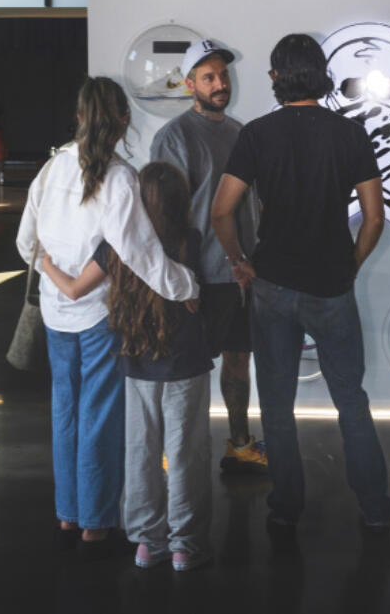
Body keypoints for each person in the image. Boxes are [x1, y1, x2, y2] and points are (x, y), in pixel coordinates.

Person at [211, 33, 390, 532]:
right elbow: (374, 219)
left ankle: (285, 509)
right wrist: (350, 264)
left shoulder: (257, 135)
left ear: (275, 78)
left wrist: (238, 260)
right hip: (332, 285)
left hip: (271, 284)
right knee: (351, 401)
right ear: (320, 73)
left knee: (275, 407)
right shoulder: (349, 133)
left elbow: (221, 210)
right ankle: (375, 508)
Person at [16, 77, 198, 558]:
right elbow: (138, 251)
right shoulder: (120, 178)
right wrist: (185, 287)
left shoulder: (52, 168)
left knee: (65, 411)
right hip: (99, 315)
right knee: (99, 415)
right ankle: (96, 522)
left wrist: (57, 275)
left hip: (56, 314)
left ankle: (67, 512)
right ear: (123, 120)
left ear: (78, 117)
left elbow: (24, 242)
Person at [41, 162, 214, 572]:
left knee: (140, 453)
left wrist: (45, 262)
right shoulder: (189, 239)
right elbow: (197, 295)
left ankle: (145, 544)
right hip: (184, 364)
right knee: (185, 453)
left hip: (136, 362)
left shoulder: (115, 244)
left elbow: (73, 289)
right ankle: (184, 547)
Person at [149, 39, 267, 474]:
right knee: (187, 371)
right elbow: (163, 217)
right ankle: (175, 452)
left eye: (223, 75)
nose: (220, 84)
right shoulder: (174, 137)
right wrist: (177, 281)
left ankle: (238, 444)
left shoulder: (239, 133)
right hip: (200, 278)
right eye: (208, 77)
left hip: (243, 273)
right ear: (189, 84)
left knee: (239, 359)